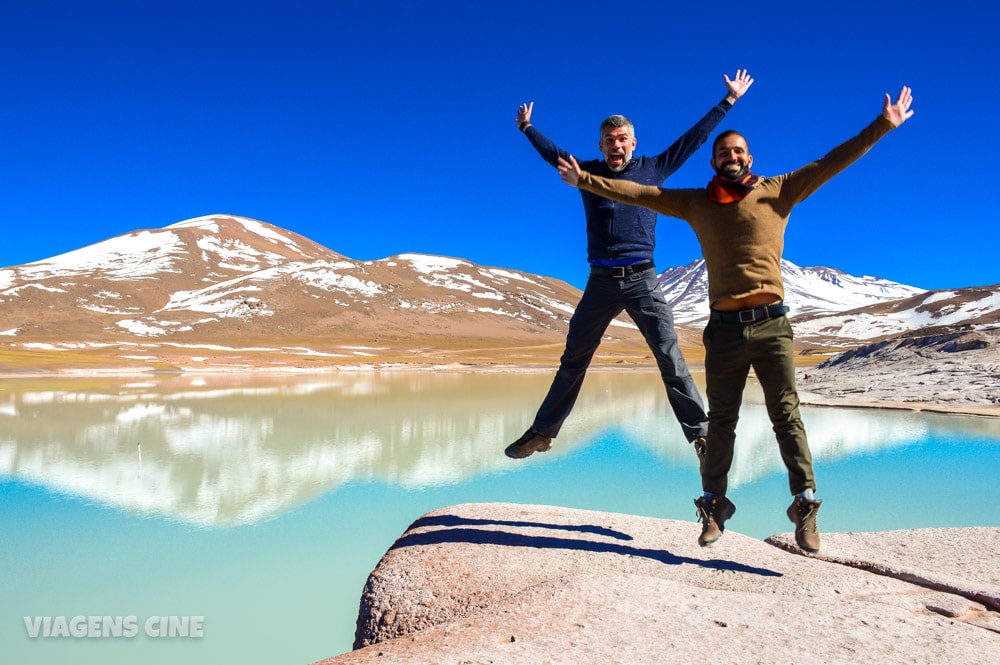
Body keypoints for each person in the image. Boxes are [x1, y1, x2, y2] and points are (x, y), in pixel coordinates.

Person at [557, 86, 915, 553]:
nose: (731, 156)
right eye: (723, 152)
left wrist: (882, 125)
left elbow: (831, 161)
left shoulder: (780, 190)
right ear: (714, 162)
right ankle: (713, 507)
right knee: (721, 420)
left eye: (738, 151)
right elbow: (640, 192)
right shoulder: (695, 202)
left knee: (786, 415)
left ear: (750, 157)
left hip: (771, 326)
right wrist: (585, 180)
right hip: (722, 330)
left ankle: (805, 507)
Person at [504, 70, 754, 464]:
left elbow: (694, 140)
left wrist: (729, 101)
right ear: (601, 146)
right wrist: (527, 127)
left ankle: (703, 437)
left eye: (622, 140)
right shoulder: (587, 173)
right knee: (573, 359)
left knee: (669, 357)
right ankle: (543, 432)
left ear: (633, 143)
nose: (616, 145)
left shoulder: (653, 168)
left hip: (642, 279)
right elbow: (553, 155)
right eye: (609, 140)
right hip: (600, 281)